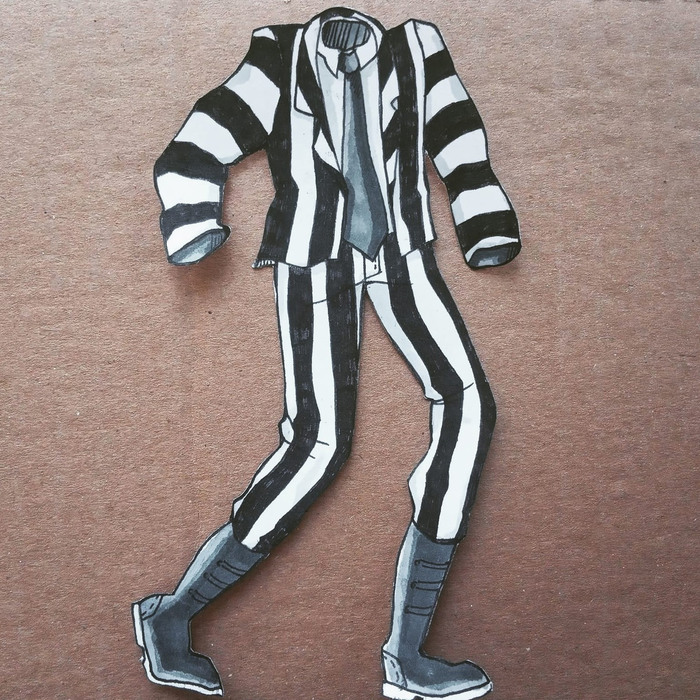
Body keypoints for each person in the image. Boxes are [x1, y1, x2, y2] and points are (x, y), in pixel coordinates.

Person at [133, 7, 521, 699]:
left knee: (471, 409)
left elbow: (459, 138)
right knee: (319, 446)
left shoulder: (417, 51)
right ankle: (172, 616)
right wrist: (193, 219)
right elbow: (196, 144)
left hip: (402, 251)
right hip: (313, 258)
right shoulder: (278, 58)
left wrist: (483, 224)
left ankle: (407, 655)